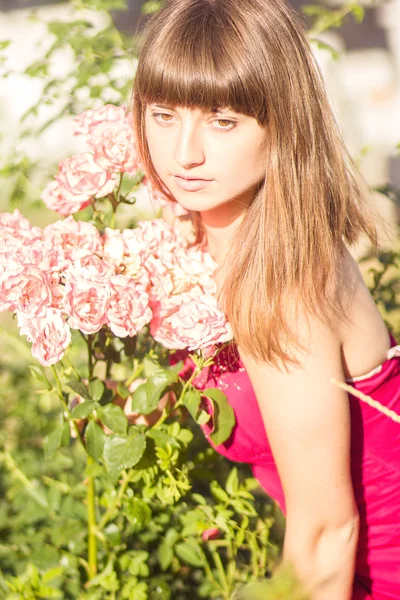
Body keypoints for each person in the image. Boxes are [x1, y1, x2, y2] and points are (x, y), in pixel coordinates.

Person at [130, 0, 400, 598]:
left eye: (223, 121)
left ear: (282, 122)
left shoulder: (284, 284)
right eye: (164, 114)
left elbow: (329, 532)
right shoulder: (198, 232)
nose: (185, 153)